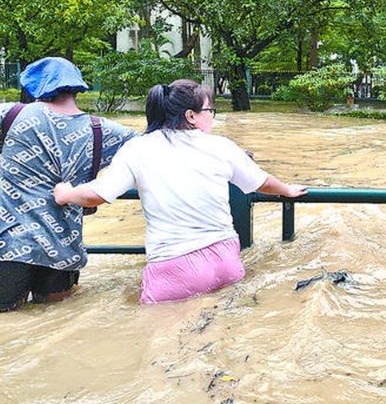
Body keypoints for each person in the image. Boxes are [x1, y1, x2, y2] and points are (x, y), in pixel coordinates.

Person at [54, 79, 307, 304]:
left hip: (175, 266)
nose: (212, 116)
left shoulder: (138, 149)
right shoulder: (222, 146)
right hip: (226, 259)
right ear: (191, 116)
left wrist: (65, 194)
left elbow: (98, 193)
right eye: (210, 110)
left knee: (159, 346)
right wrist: (287, 190)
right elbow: (261, 182)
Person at [0, 57, 138, 312]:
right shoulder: (103, 129)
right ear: (77, 87)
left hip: (9, 246)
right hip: (63, 247)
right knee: (55, 316)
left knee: (9, 324)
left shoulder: (11, 114)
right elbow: (153, 147)